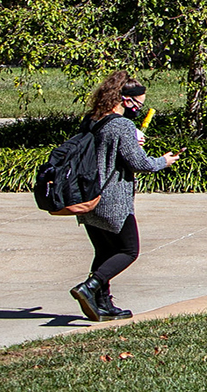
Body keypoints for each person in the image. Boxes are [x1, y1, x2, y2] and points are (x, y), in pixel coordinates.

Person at [70, 73, 178, 322]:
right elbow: (139, 163)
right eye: (138, 105)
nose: (138, 110)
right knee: (129, 250)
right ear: (126, 101)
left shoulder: (92, 120)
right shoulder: (122, 125)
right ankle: (90, 286)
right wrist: (164, 161)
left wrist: (131, 141)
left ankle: (102, 303)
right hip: (112, 200)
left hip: (88, 198)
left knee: (104, 250)